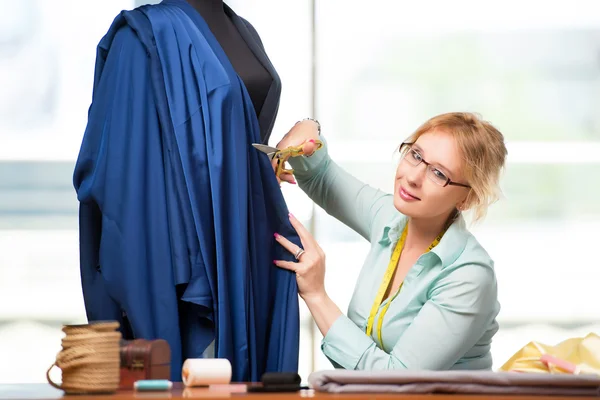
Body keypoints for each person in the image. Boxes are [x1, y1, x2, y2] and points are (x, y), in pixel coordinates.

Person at [272, 112, 508, 371]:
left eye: (439, 174)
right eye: (416, 155)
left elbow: (396, 379)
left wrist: (316, 295)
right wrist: (307, 130)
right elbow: (321, 176)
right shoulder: (391, 218)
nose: (413, 177)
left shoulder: (469, 277)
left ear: (468, 199)